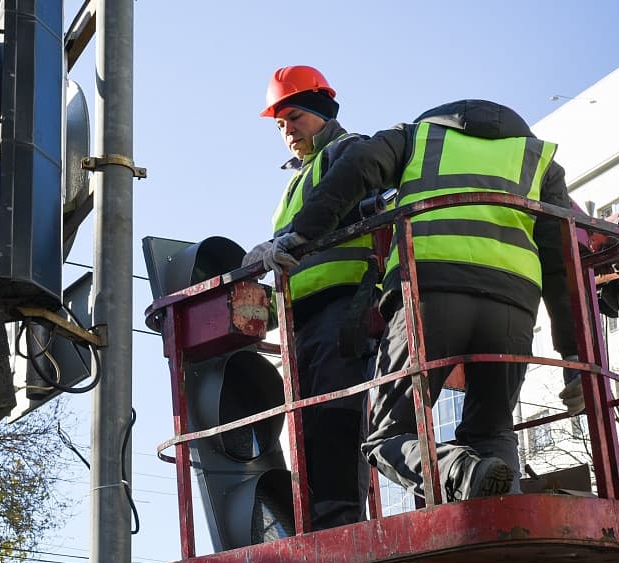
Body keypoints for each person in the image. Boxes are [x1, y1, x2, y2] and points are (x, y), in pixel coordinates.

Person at [249, 98, 579, 502]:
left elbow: (356, 169)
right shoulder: (538, 158)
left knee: (386, 437)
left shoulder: (415, 136)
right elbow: (564, 265)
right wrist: (574, 361)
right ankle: (503, 514)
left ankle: (460, 471)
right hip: (513, 306)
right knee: (493, 430)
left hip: (429, 290)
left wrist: (300, 234)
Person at [242, 65, 375, 529]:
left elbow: (338, 209)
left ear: (322, 111)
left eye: (295, 117)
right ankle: (319, 520)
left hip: (345, 305)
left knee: (338, 413)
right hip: (305, 315)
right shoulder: (297, 180)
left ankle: (338, 521)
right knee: (311, 421)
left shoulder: (349, 151)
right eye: (280, 125)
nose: (288, 131)